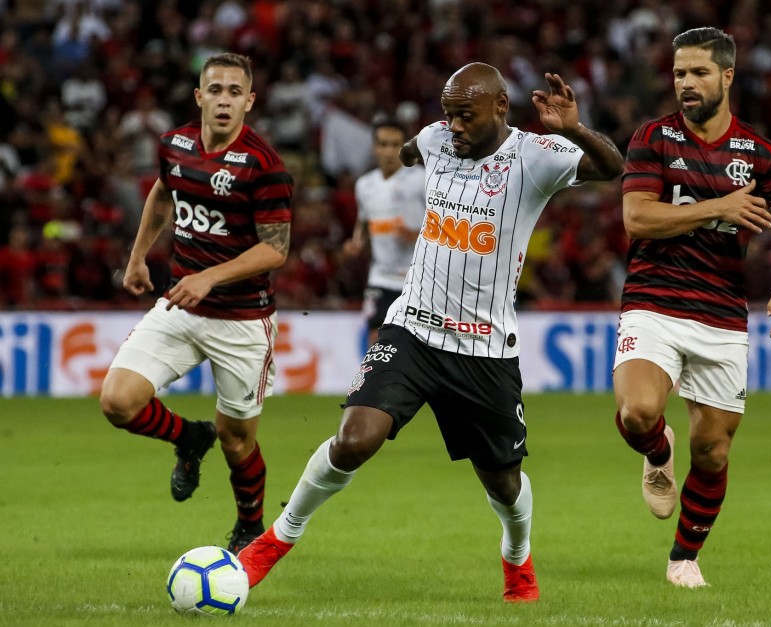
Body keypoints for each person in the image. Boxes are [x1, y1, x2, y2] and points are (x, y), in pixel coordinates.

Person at [237, 62, 623, 602]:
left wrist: (575, 129)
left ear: (499, 108)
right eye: (448, 115)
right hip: (412, 328)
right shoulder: (436, 139)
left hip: (484, 351)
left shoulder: (536, 155)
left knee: (504, 484)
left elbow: (612, 169)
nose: (454, 127)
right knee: (354, 439)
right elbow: (416, 150)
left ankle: (517, 555)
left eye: (465, 116)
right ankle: (274, 543)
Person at [613, 27, 771, 588]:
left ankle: (684, 559)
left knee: (713, 450)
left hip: (722, 315)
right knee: (637, 414)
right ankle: (657, 452)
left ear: (727, 76)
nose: (685, 83)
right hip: (653, 302)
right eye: (679, 73)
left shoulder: (761, 155)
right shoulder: (652, 138)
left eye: (698, 72)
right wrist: (719, 207)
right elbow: (637, 219)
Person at [98, 52, 294, 553]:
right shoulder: (175, 145)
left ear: (249, 102)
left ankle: (250, 524)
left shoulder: (265, 166)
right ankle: (187, 438)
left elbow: (275, 248)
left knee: (237, 441)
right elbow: (164, 193)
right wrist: (138, 256)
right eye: (216, 90)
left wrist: (210, 277)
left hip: (243, 320)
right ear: (199, 96)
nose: (224, 100)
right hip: (181, 306)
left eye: (235, 92)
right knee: (117, 403)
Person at [343, 118, 426, 346]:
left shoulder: (421, 179)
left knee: (415, 343)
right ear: (374, 147)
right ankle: (377, 381)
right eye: (383, 144)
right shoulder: (365, 185)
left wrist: (416, 234)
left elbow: (445, 223)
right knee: (375, 338)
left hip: (417, 278)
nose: (389, 151)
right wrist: (356, 243)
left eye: (395, 144)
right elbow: (363, 223)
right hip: (380, 276)